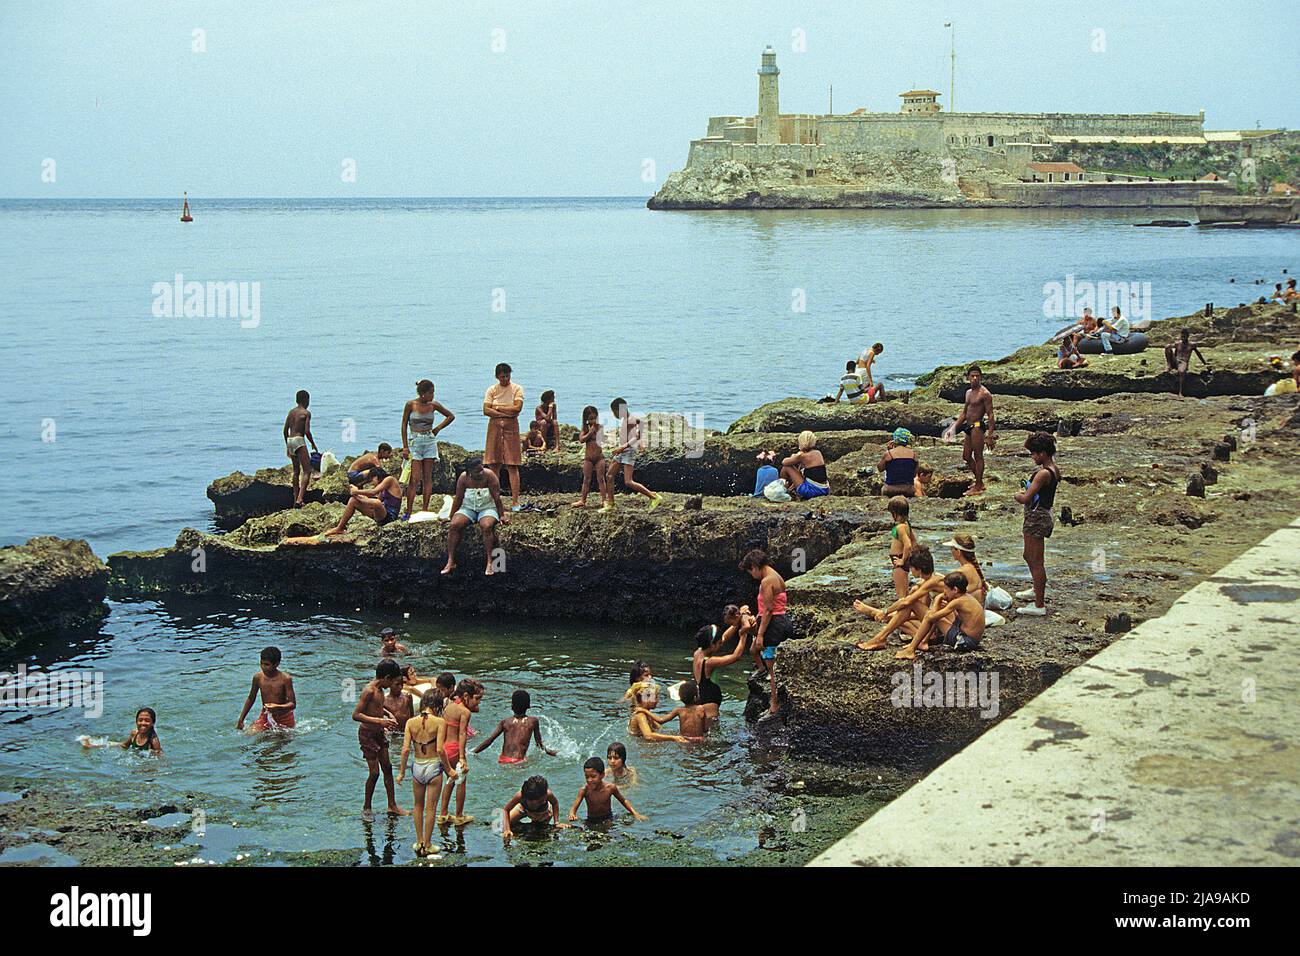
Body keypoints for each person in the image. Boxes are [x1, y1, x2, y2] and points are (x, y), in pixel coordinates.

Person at [852, 546, 945, 651]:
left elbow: (907, 602)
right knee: (898, 619)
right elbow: (923, 613)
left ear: (918, 569)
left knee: (908, 604)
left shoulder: (935, 581)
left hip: (941, 629)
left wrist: (886, 611)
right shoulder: (929, 581)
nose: (910, 570)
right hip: (934, 624)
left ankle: (879, 635)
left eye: (911, 567)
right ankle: (879, 628)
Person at [395, 687, 451, 857]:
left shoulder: (410, 722)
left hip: (417, 766)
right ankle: (428, 844)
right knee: (431, 808)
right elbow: (440, 750)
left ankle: (418, 841)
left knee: (417, 806)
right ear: (438, 704)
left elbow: (405, 750)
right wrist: (449, 770)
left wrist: (402, 772)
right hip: (434, 766)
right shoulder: (440, 722)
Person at [352, 659, 410, 822]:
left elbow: (378, 706)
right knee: (375, 772)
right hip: (367, 734)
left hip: (379, 733)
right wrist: (380, 721)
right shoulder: (369, 690)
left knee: (388, 768)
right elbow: (356, 715)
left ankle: (392, 805)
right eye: (392, 681)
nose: (393, 685)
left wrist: (387, 714)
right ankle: (366, 807)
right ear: (386, 677)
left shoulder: (380, 691)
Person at [741, 549, 793, 716]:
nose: (751, 575)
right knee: (760, 654)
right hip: (782, 620)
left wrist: (760, 634)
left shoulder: (766, 581)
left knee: (771, 666)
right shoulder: (778, 577)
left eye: (750, 571)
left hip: (774, 624)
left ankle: (774, 703)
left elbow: (769, 610)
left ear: (755, 566)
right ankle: (767, 678)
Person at [1014, 431, 1060, 617]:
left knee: (1036, 560)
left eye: (1034, 453)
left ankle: (1039, 604)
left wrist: (1017, 495)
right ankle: (1036, 588)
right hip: (1041, 514)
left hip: (1037, 516)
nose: (1032, 457)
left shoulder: (1043, 474)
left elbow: (1026, 498)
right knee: (1028, 555)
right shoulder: (1054, 469)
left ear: (1042, 453)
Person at [441, 457, 509, 576]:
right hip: (469, 508)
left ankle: (490, 561)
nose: (481, 472)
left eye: (482, 469)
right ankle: (450, 560)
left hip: (487, 507)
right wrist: (451, 516)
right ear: (469, 472)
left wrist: (502, 515)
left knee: (486, 525)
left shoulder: (490, 475)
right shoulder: (463, 478)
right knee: (454, 525)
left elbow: (497, 498)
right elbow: (458, 498)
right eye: (477, 471)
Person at [895, 572, 986, 660]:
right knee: (935, 615)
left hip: (964, 641)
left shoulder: (958, 602)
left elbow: (932, 617)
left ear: (955, 590)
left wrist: (937, 599)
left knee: (930, 617)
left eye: (946, 588)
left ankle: (910, 650)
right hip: (970, 639)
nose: (944, 591)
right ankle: (923, 641)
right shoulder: (967, 598)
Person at [401, 380, 455, 517]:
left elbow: (450, 416)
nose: (433, 395)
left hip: (429, 440)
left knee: (427, 477)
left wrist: (437, 428)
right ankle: (408, 511)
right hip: (415, 441)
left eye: (433, 392)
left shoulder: (433, 405)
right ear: (423, 393)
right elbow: (403, 426)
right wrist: (405, 447)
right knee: (414, 478)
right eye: (430, 393)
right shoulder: (411, 405)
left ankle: (425, 509)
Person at [437, 678, 483, 826]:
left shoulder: (449, 705)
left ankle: (443, 814)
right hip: (455, 749)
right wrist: (462, 757)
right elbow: (462, 734)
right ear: (465, 696)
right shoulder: (464, 712)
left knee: (450, 780)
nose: (478, 702)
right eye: (477, 698)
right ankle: (459, 815)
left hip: (444, 748)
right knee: (461, 781)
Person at [692, 608, 751, 718]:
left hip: (703, 696)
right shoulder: (709, 662)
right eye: (719, 643)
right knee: (712, 732)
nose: (721, 644)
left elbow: (723, 638)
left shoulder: (698, 652)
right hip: (710, 703)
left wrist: (736, 623)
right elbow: (735, 656)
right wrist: (744, 634)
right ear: (711, 644)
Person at [604, 398, 661, 511]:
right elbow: (641, 424)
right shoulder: (627, 419)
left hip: (628, 452)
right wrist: (640, 443)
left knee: (628, 481)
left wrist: (624, 446)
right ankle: (610, 503)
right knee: (609, 475)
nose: (614, 415)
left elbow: (637, 435)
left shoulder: (630, 419)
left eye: (614, 412)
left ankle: (654, 497)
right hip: (622, 452)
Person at [472, 689, 558, 763]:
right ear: (528, 706)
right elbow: (539, 744)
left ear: (512, 706)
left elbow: (490, 740)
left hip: (503, 760)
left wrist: (473, 752)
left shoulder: (505, 722)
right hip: (519, 762)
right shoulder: (533, 721)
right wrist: (549, 752)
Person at [483, 362, 524, 511]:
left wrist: (498, 408)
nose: (505, 379)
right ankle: (495, 499)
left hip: (511, 426)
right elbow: (486, 410)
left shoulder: (517, 389)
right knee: (494, 463)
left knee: (512, 464)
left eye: (507, 376)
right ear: (497, 377)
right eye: (502, 376)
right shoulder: (492, 390)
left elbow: (517, 408)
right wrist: (504, 412)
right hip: (494, 426)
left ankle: (515, 501)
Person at [951, 365, 995, 496]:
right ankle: (979, 482)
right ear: (968, 377)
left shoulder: (985, 394)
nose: (975, 378)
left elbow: (991, 415)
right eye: (972, 376)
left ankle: (978, 485)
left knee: (978, 456)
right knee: (966, 456)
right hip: (968, 427)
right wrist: (953, 428)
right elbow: (964, 413)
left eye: (977, 375)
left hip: (977, 427)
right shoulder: (968, 393)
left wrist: (990, 435)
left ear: (980, 377)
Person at [322, 467, 403, 536]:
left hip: (390, 517)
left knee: (376, 503)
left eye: (372, 480)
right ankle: (339, 528)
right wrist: (359, 497)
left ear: (376, 476)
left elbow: (373, 492)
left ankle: (357, 495)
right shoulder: (383, 489)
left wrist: (357, 492)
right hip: (380, 516)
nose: (372, 483)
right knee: (353, 500)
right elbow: (377, 500)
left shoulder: (390, 479)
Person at [568, 757, 647, 824]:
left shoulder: (610, 788)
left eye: (593, 776)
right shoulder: (584, 790)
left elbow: (624, 801)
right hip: (591, 820)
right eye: (587, 777)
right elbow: (574, 808)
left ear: (602, 775)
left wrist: (635, 814)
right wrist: (572, 814)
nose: (589, 780)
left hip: (608, 818)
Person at [236, 646, 296, 732]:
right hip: (266, 715)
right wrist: (241, 720)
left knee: (279, 742)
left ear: (276, 664)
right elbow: (251, 698)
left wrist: (277, 707)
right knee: (249, 734)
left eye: (267, 664)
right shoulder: (258, 677)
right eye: (261, 663)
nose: (263, 667)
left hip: (284, 717)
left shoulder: (285, 679)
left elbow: (293, 704)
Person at [501, 775, 567, 845]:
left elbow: (555, 803)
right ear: (528, 799)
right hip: (524, 808)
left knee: (539, 830)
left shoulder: (547, 794)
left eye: (544, 799)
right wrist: (507, 829)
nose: (544, 801)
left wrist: (556, 822)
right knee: (506, 823)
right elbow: (506, 810)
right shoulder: (520, 796)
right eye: (540, 801)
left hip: (543, 812)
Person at [283, 390, 319, 507]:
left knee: (296, 471)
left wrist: (288, 446)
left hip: (290, 440)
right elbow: (307, 431)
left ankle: (295, 499)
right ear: (307, 400)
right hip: (299, 440)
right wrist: (313, 443)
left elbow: (285, 431)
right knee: (307, 470)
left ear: (296, 400)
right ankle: (300, 499)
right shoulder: (306, 413)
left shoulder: (291, 412)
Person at [82, 707, 163, 753]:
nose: (143, 723)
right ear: (136, 721)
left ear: (153, 723)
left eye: (147, 720)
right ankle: (91, 745)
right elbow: (124, 746)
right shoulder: (134, 734)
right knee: (114, 744)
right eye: (140, 720)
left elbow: (159, 758)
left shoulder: (154, 741)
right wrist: (97, 746)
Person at [572, 405, 608, 507]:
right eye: (591, 419)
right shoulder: (584, 428)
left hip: (599, 457)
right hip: (588, 458)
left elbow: (602, 440)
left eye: (595, 418)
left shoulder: (600, 427)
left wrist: (597, 432)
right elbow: (581, 439)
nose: (593, 421)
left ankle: (604, 500)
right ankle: (583, 500)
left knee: (601, 479)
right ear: (586, 419)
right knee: (586, 479)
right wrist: (590, 433)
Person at [940, 533, 988, 607]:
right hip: (977, 609)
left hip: (966, 614)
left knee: (932, 586)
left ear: (958, 552)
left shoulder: (962, 571)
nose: (951, 551)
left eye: (952, 548)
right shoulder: (972, 567)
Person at [780, 430, 830, 499]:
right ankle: (791, 489)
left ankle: (781, 488)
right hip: (825, 489)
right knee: (802, 470)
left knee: (786, 467)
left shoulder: (802, 456)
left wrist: (794, 456)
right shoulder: (818, 453)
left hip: (812, 491)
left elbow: (784, 462)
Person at [886, 495, 916, 600]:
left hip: (898, 560)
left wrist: (902, 560)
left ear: (894, 514)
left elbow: (908, 545)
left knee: (901, 594)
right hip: (901, 559)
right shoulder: (907, 524)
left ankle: (902, 614)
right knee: (905, 591)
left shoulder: (900, 527)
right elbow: (914, 540)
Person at [1164, 329, 1210, 398]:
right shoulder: (1178, 344)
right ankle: (1169, 366)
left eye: (1184, 336)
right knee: (1167, 347)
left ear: (1188, 336)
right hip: (1176, 360)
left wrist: (1204, 363)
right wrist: (1173, 361)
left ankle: (1180, 392)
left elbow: (1198, 354)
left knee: (1181, 372)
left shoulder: (1192, 345)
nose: (1183, 338)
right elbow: (1176, 353)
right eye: (1182, 336)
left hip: (1183, 362)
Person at [879, 428, 918, 497]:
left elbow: (880, 468)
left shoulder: (889, 454)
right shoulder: (913, 454)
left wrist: (889, 450)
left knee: (883, 489)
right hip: (908, 489)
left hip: (891, 489)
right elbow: (914, 474)